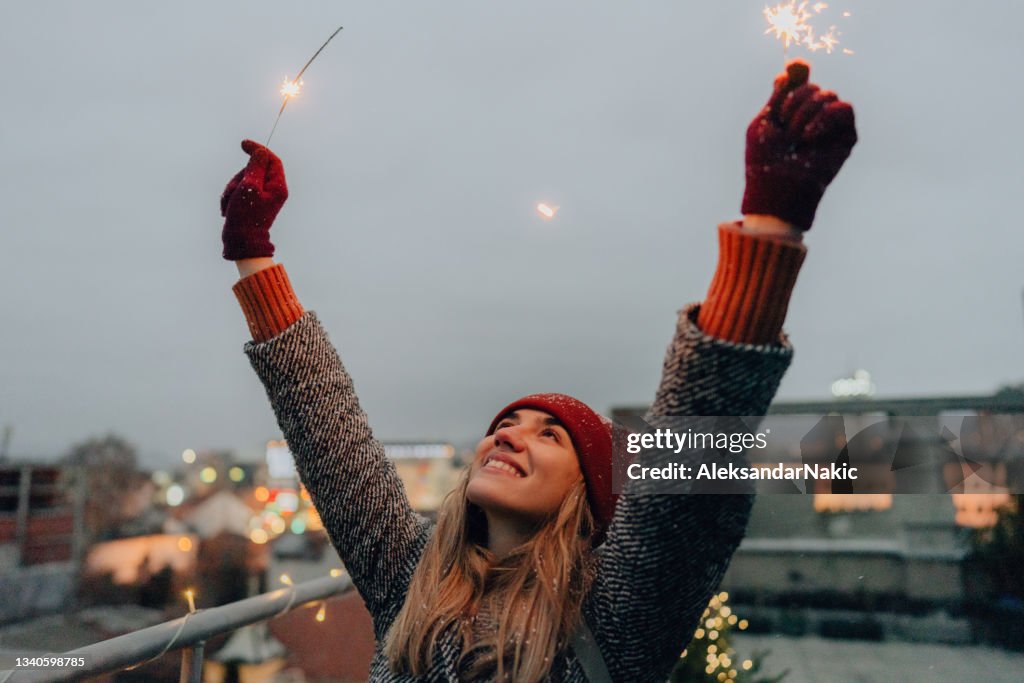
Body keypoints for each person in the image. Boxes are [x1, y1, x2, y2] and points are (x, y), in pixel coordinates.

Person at [219, 61, 856, 682]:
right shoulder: (412, 577)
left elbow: (691, 465)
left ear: (590, 493)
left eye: (550, 435)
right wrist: (254, 254)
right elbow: (327, 431)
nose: (509, 434)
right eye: (507, 424)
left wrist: (772, 221)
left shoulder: (617, 613)